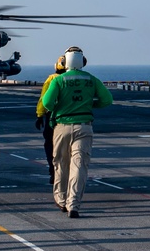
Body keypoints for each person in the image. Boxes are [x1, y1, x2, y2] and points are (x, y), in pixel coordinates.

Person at [41, 46, 113, 219]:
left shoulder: (58, 80)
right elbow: (107, 100)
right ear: (83, 62)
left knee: (60, 164)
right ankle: (74, 204)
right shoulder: (92, 79)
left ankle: (61, 199)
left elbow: (47, 103)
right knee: (79, 166)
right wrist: (88, 105)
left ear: (64, 62)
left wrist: (61, 107)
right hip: (84, 126)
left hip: (62, 127)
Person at [34, 55, 66, 184]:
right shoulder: (78, 78)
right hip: (73, 117)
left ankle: (53, 169)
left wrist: (39, 115)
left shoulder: (52, 79)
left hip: (53, 116)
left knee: (50, 143)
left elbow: (44, 99)